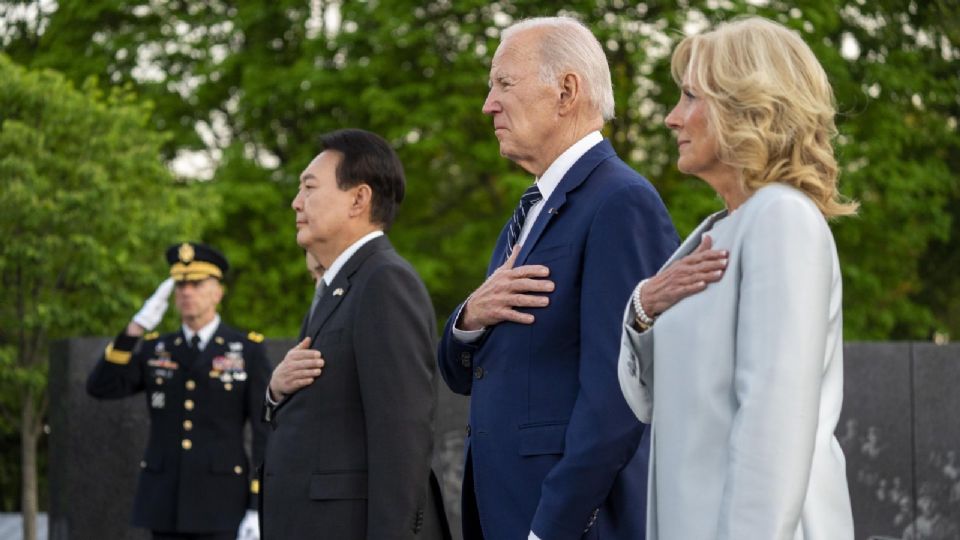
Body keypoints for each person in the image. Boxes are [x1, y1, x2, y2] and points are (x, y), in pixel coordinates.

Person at [437, 16, 678, 540]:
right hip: (505, 513)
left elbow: (620, 396)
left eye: (504, 83)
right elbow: (462, 375)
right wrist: (468, 317)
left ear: (567, 91)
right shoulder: (527, 215)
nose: (488, 104)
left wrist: (554, 527)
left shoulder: (621, 201)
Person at [617, 17, 857, 539]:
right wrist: (643, 309)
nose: (670, 118)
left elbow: (775, 423)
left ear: (746, 105)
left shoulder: (782, 219)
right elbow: (654, 402)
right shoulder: (720, 230)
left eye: (688, 97)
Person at [260, 128, 449, 540]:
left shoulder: (384, 281)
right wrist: (275, 392)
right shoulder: (339, 286)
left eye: (309, 187)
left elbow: (402, 439)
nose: (296, 202)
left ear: (359, 199)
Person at [87, 242, 271, 540]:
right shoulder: (156, 348)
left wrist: (257, 504)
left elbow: (264, 431)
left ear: (217, 293)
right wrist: (136, 327)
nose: (187, 292)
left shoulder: (247, 350)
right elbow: (101, 387)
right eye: (181, 285)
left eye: (197, 284)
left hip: (222, 501)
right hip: (165, 502)